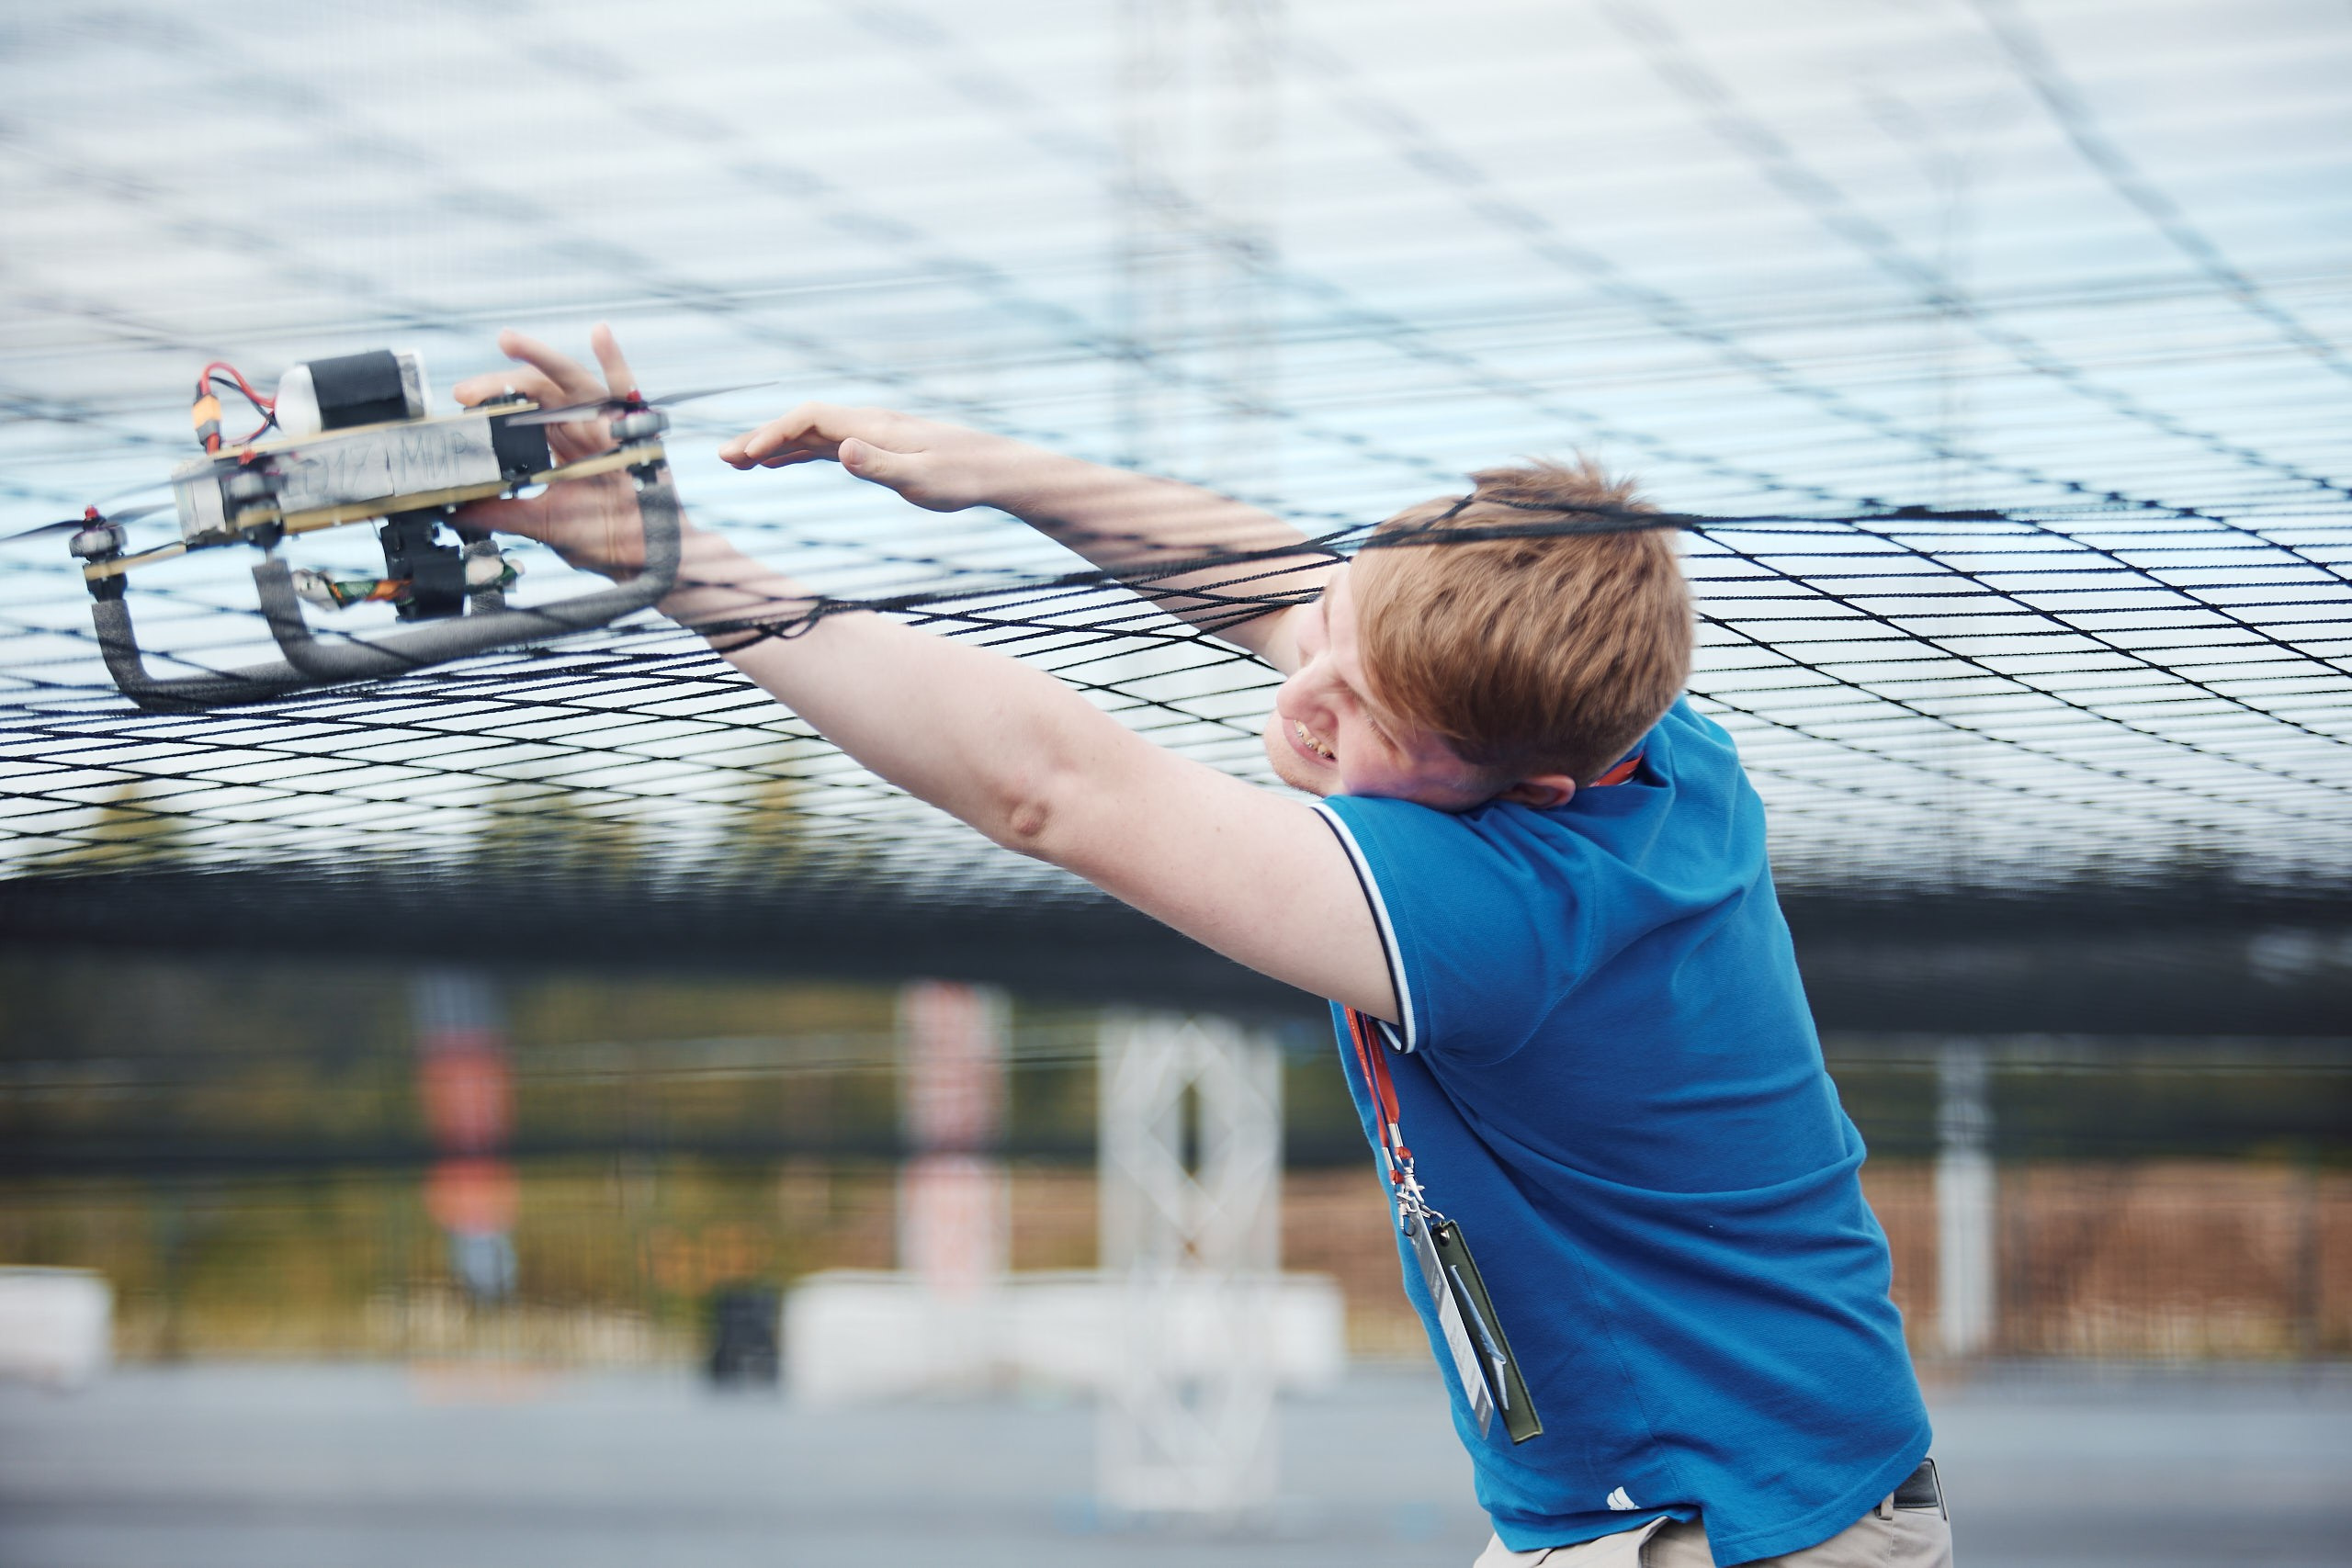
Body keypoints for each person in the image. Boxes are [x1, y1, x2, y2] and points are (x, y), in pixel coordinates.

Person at [454, 325, 1951, 1568]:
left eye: (1365, 714)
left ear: (1530, 788)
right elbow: (1275, 580)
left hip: (1739, 1529)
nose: (1306, 698)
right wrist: (995, 471)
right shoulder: (1643, 742)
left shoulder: (1512, 913)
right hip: (1708, 1498)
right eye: (1340, 630)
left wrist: (670, 557)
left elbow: (1054, 789)